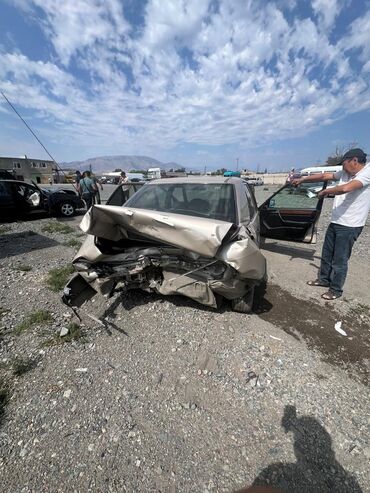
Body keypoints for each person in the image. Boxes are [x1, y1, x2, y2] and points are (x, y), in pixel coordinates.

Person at [292, 148, 370, 300]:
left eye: (345, 163)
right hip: (336, 221)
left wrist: (326, 191)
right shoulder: (346, 173)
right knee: (327, 254)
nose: (342, 167)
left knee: (340, 259)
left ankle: (335, 290)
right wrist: (302, 179)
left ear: (354, 160)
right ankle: (323, 280)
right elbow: (324, 175)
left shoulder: (366, 173)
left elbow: (346, 188)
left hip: (350, 225)